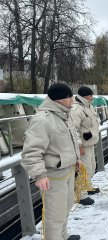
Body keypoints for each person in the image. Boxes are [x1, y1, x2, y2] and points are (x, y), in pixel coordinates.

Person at [21, 83, 81, 240]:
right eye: (70, 97)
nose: (73, 101)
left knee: (66, 208)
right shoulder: (43, 120)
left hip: (67, 171)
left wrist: (76, 159)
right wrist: (40, 175)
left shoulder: (63, 116)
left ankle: (63, 236)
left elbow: (69, 142)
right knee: (55, 216)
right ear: (60, 99)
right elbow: (31, 151)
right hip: (53, 176)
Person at [70, 86, 99, 206]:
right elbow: (74, 129)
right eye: (90, 95)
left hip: (90, 143)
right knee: (83, 170)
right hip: (83, 146)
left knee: (92, 167)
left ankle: (88, 187)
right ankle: (81, 195)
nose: (92, 97)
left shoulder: (88, 107)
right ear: (84, 96)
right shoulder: (77, 109)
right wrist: (79, 146)